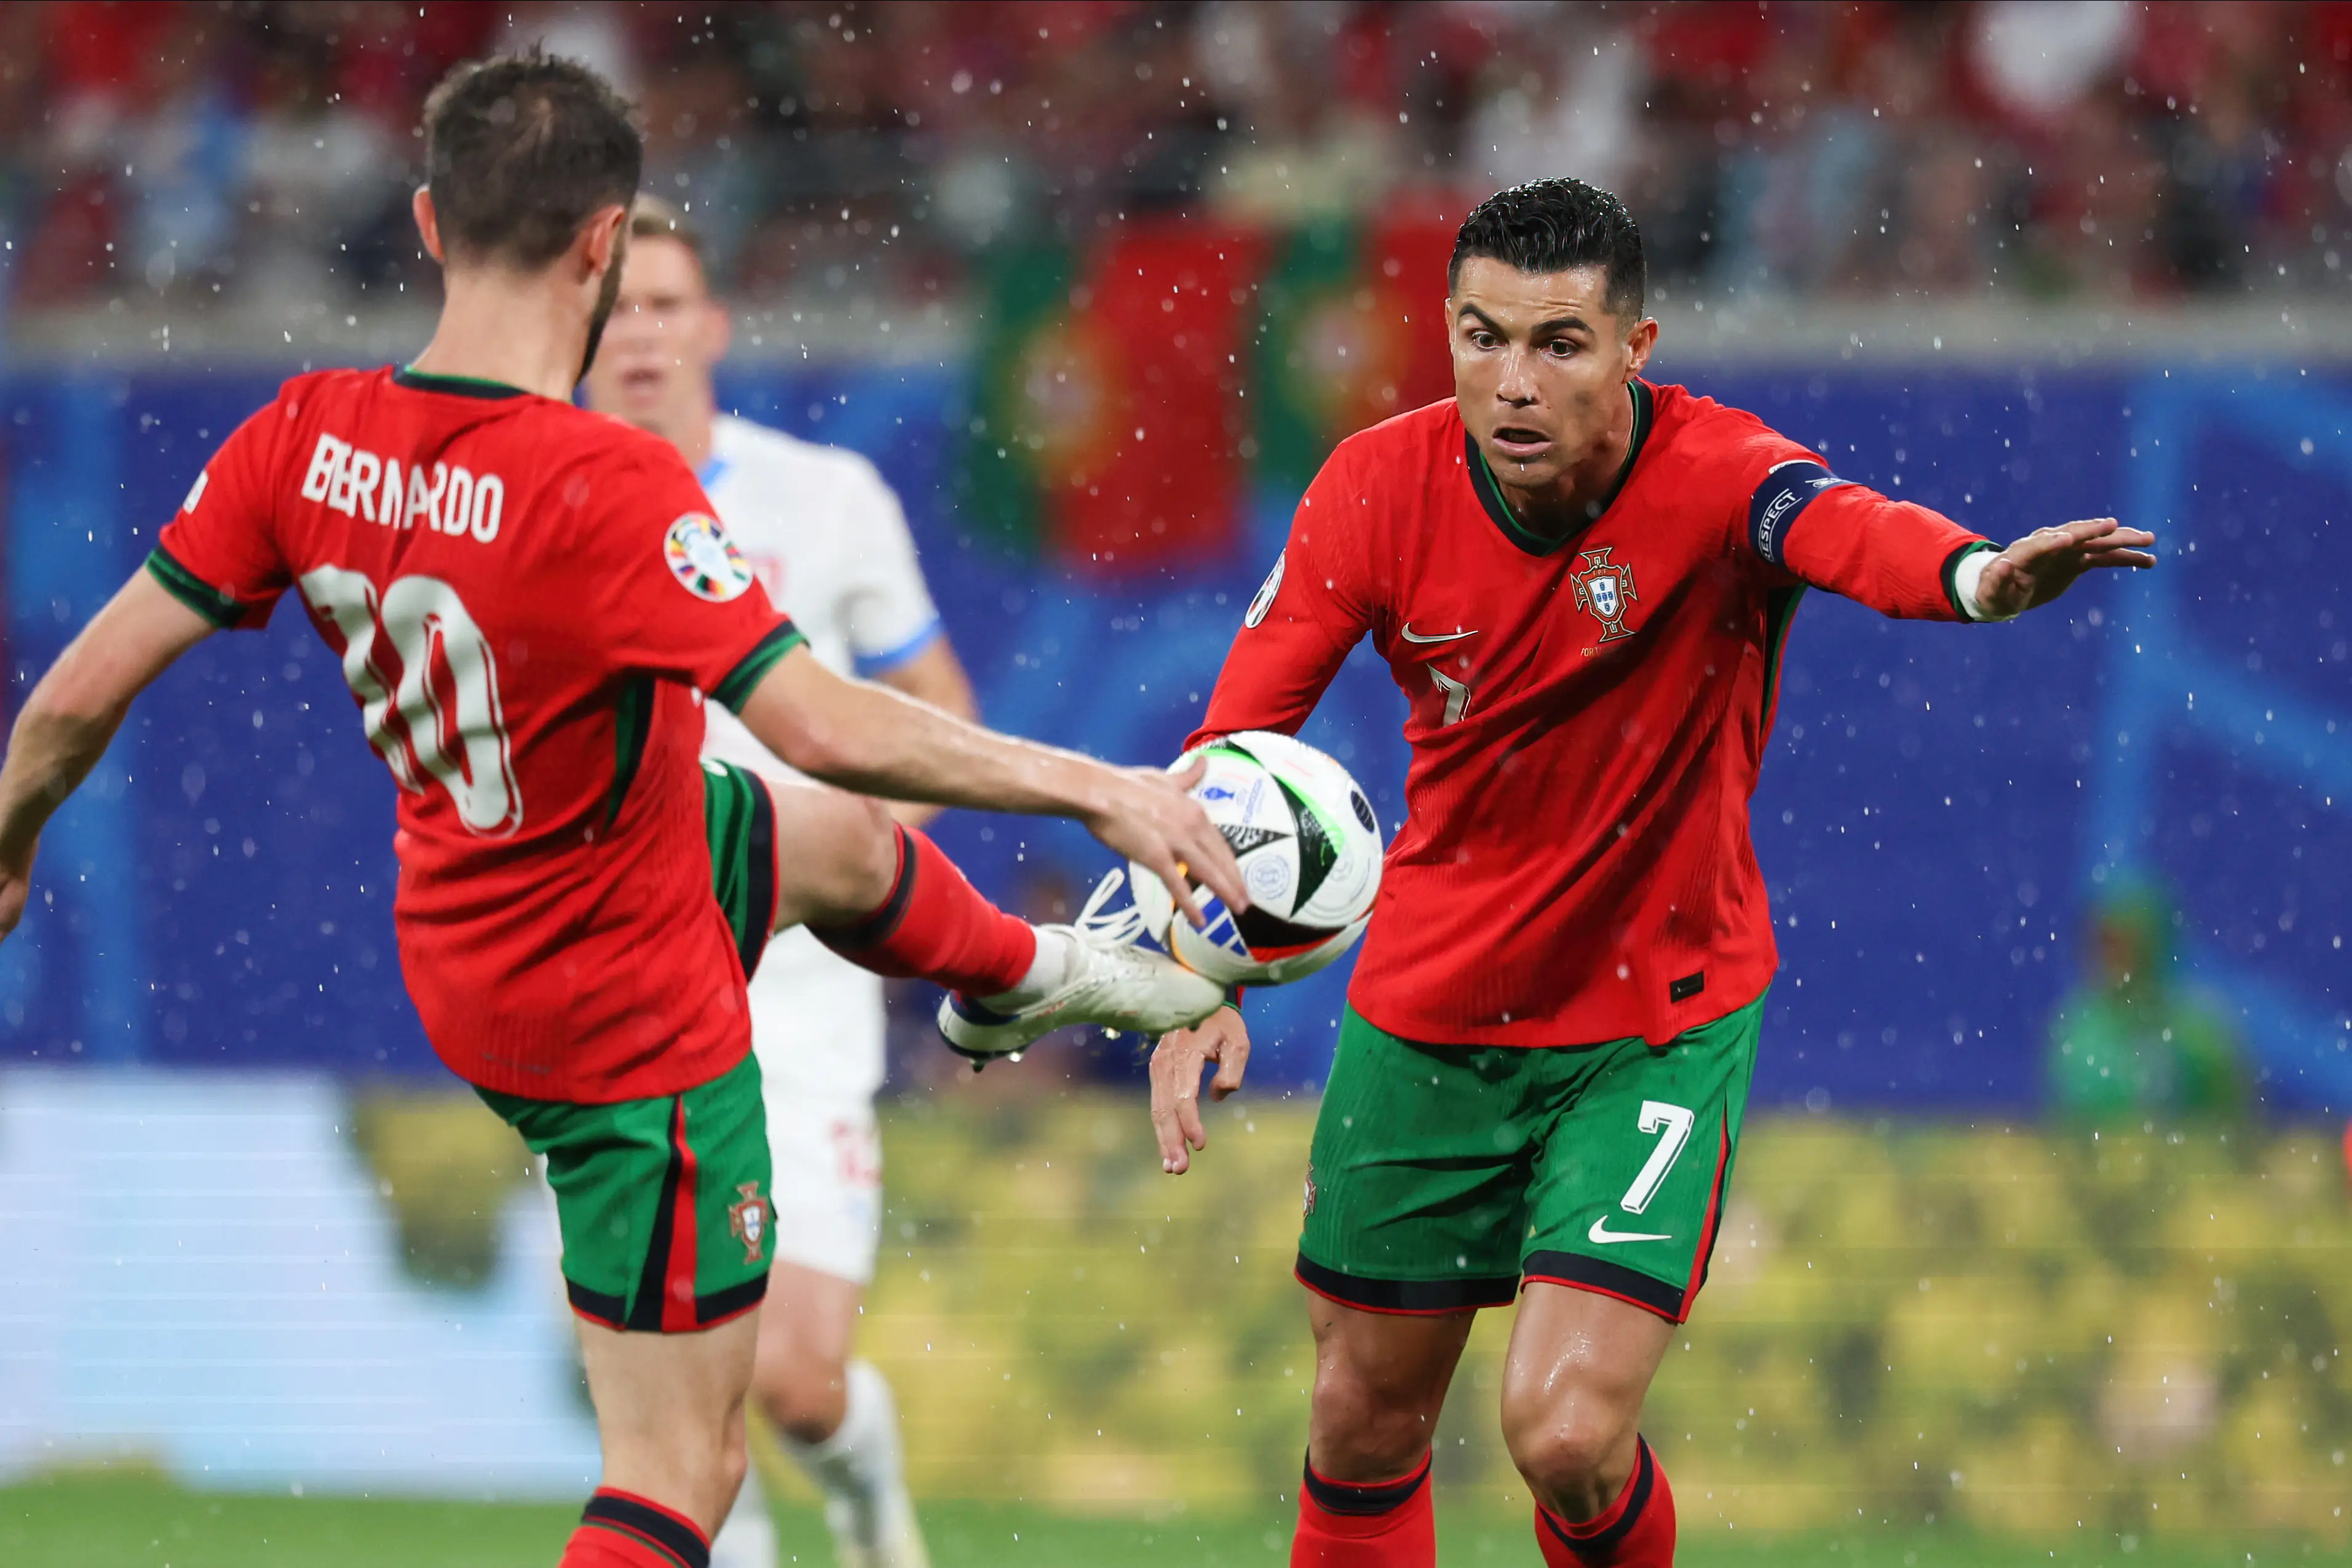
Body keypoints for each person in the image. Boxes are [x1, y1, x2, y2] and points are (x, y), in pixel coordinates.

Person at [0, 53, 1244, 1568]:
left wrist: (9, 847)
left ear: (426, 223)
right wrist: (1096, 784)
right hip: (620, 1005)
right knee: (680, 1468)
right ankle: (1020, 992)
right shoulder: (605, 482)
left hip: (491, 913)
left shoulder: (303, 433)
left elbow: (74, 695)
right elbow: (822, 716)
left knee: (818, 842)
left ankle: (1024, 988)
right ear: (603, 246)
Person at [1146, 178, 2156, 1568]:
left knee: (1564, 1434)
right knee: (1360, 1420)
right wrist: (1199, 975)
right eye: (1478, 335)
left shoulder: (1720, 473)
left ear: (1637, 345)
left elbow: (1848, 529)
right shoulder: (1375, 485)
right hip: (1430, 1017)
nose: (1511, 381)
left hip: (1652, 1025)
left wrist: (1979, 576)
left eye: (1556, 343)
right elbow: (1233, 753)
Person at [583, 195, 965, 1568]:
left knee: (795, 1380)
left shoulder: (826, 498)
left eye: (666, 305)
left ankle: (866, 1500)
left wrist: (833, 850)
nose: (641, 335)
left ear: (714, 326)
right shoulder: (541, 504)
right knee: (688, 1382)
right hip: (619, 975)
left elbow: (941, 715)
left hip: (794, 985)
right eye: (615, 307)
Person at [2048, 879, 2246, 1121]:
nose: (2109, 959)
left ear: (2152, 947)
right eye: (2103, 945)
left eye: (2121, 945)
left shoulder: (2201, 1033)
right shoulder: (2079, 1035)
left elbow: (2234, 1125)